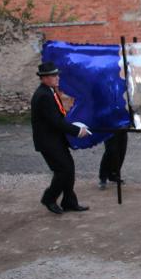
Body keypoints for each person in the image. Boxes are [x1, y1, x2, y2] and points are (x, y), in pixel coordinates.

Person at [31, 62, 90, 215]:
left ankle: (69, 202)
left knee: (68, 169)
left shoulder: (50, 91)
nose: (57, 78)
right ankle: (49, 198)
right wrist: (77, 131)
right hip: (48, 141)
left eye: (57, 75)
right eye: (53, 75)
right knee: (63, 170)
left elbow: (59, 117)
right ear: (44, 78)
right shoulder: (43, 95)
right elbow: (55, 122)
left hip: (55, 139)